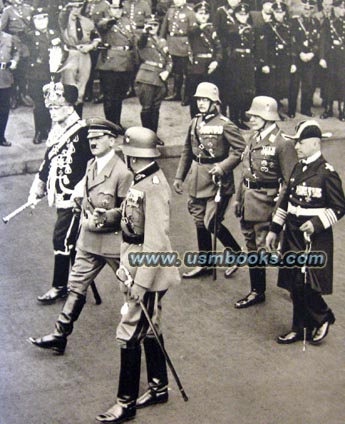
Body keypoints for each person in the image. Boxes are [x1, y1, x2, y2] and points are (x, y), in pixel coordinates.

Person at [96, 127, 180, 424]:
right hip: (134, 261)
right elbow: (132, 213)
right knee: (150, 325)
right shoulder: (141, 178)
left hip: (148, 269)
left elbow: (156, 242)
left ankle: (125, 403)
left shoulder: (153, 185)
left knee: (129, 331)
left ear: (133, 156)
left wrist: (141, 284)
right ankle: (158, 387)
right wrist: (110, 216)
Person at [29, 118, 133, 354]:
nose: (92, 143)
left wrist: (107, 216)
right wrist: (80, 201)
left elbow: (128, 210)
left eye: (97, 138)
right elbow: (87, 191)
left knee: (131, 288)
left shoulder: (123, 171)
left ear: (112, 140)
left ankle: (140, 331)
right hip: (88, 240)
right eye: (90, 139)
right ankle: (60, 334)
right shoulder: (91, 165)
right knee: (76, 286)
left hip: (113, 243)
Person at [266, 120, 345, 344]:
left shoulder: (327, 172)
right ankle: (302, 327)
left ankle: (321, 317)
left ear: (314, 143)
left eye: (301, 143)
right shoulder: (298, 167)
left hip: (313, 236)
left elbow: (339, 207)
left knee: (305, 281)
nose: (297, 147)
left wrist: (316, 223)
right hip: (292, 232)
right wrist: (275, 228)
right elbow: (285, 203)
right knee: (293, 281)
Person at [28, 82, 92, 303]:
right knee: (68, 241)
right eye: (51, 108)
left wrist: (80, 190)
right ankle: (77, 283)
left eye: (57, 107)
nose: (52, 112)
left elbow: (93, 166)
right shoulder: (56, 130)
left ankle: (60, 287)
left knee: (61, 239)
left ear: (70, 106)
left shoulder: (83, 131)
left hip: (75, 199)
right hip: (60, 196)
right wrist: (38, 187)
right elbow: (48, 162)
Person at [173, 82, 246, 278]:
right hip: (197, 177)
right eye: (199, 100)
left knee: (211, 221)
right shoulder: (195, 122)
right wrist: (180, 176)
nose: (201, 104)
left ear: (215, 102)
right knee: (199, 219)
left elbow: (241, 150)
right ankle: (205, 264)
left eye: (205, 100)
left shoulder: (225, 124)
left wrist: (223, 167)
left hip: (217, 180)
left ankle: (237, 253)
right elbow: (187, 151)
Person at [232, 96, 297, 305]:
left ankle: (298, 288)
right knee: (252, 247)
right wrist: (238, 199)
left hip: (267, 204)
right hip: (249, 201)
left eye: (256, 115)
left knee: (270, 250)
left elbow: (289, 183)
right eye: (251, 115)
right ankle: (257, 291)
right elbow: (245, 171)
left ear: (269, 117)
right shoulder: (254, 138)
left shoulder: (282, 143)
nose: (251, 119)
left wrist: (279, 212)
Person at [96, 0, 137, 129]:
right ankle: (110, 124)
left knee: (119, 96)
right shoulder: (106, 22)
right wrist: (111, 20)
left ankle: (117, 123)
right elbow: (102, 27)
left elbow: (133, 42)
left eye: (119, 9)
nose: (117, 11)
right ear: (109, 10)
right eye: (114, 9)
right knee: (109, 96)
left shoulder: (128, 22)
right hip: (109, 63)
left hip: (125, 63)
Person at [58, 0, 101, 117]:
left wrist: (90, 46)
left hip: (84, 55)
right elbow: (60, 20)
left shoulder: (87, 22)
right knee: (69, 88)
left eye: (79, 6)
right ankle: (67, 120)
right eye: (74, 6)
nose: (76, 9)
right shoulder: (63, 20)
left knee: (81, 89)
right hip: (70, 54)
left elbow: (96, 38)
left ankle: (78, 120)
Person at [26, 6, 61, 144]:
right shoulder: (30, 36)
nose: (41, 21)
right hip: (36, 74)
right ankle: (39, 131)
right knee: (39, 104)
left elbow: (61, 51)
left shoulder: (54, 34)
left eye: (44, 18)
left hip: (52, 74)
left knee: (51, 103)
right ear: (33, 21)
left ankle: (48, 130)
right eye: (38, 19)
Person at [136, 14, 172, 134]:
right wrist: (145, 32)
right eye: (150, 24)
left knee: (156, 108)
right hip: (147, 77)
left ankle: (153, 135)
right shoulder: (143, 39)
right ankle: (147, 136)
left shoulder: (162, 41)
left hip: (160, 77)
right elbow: (140, 44)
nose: (153, 27)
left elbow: (169, 59)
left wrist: (167, 70)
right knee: (147, 107)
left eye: (155, 25)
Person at [185, 1, 222, 117]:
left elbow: (219, 48)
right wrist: (202, 27)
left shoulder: (212, 30)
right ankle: (195, 124)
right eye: (200, 13)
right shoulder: (193, 28)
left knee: (210, 98)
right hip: (197, 69)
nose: (203, 16)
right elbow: (191, 33)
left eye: (206, 14)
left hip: (210, 68)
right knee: (196, 99)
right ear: (195, 14)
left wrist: (216, 61)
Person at [263, 1, 296, 118]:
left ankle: (278, 109)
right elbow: (264, 46)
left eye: (281, 12)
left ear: (284, 13)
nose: (278, 15)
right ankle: (273, 112)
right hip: (273, 61)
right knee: (272, 87)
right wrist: (265, 63)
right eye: (276, 12)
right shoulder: (268, 26)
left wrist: (293, 62)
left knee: (282, 86)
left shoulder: (288, 26)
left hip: (285, 61)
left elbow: (292, 45)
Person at [160, 0, 196, 102]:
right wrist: (162, 39)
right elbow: (164, 26)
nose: (177, 1)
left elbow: (192, 31)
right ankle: (176, 93)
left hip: (183, 44)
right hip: (172, 42)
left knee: (186, 71)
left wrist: (190, 46)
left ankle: (187, 95)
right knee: (175, 71)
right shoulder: (170, 11)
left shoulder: (190, 12)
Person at [289, 0, 320, 117]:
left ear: (313, 10)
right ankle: (291, 110)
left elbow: (318, 40)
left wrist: (312, 53)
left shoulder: (315, 22)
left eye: (310, 9)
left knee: (308, 84)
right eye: (305, 9)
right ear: (302, 9)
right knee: (294, 85)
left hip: (310, 58)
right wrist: (300, 53)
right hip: (298, 57)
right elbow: (292, 40)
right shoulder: (295, 22)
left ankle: (305, 109)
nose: (307, 11)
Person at [0, 0, 33, 108]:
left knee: (24, 72)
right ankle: (13, 97)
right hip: (14, 42)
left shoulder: (28, 8)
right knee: (13, 72)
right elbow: (2, 29)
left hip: (26, 44)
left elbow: (32, 26)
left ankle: (23, 95)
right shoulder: (7, 11)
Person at [319, 0, 345, 121]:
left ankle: (342, 110)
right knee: (329, 83)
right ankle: (328, 109)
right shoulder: (329, 22)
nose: (342, 11)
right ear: (335, 9)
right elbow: (323, 41)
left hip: (343, 59)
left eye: (343, 8)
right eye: (340, 8)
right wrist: (322, 57)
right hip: (331, 58)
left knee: (342, 83)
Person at [0, 28, 19, 146]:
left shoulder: (9, 38)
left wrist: (15, 61)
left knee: (4, 109)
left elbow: (16, 52)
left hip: (4, 77)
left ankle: (1, 136)